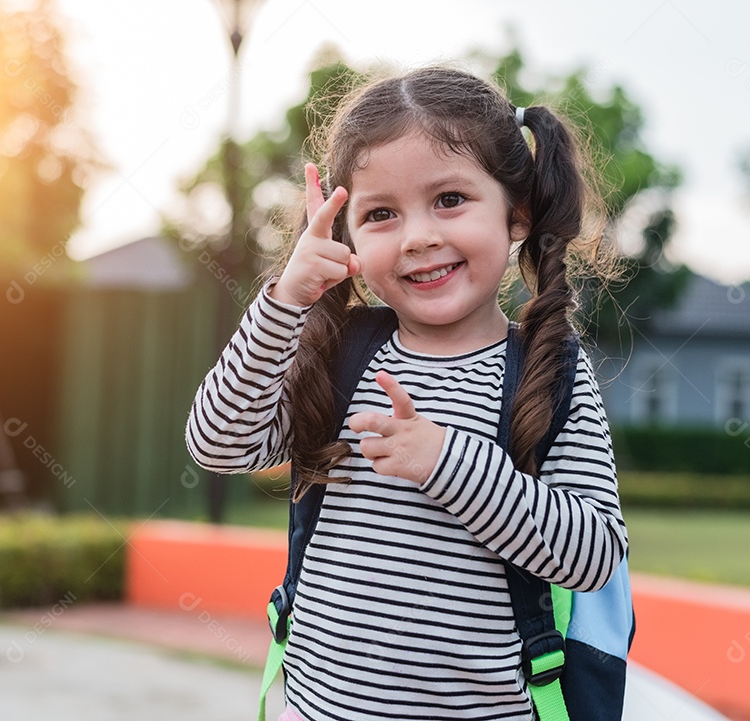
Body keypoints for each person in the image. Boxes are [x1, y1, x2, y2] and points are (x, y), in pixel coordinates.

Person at [185, 65, 627, 721]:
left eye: (450, 199)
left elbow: (591, 554)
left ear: (518, 212)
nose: (418, 235)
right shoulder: (340, 352)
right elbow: (217, 442)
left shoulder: (548, 368)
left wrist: (448, 463)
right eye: (382, 213)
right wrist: (284, 300)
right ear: (347, 235)